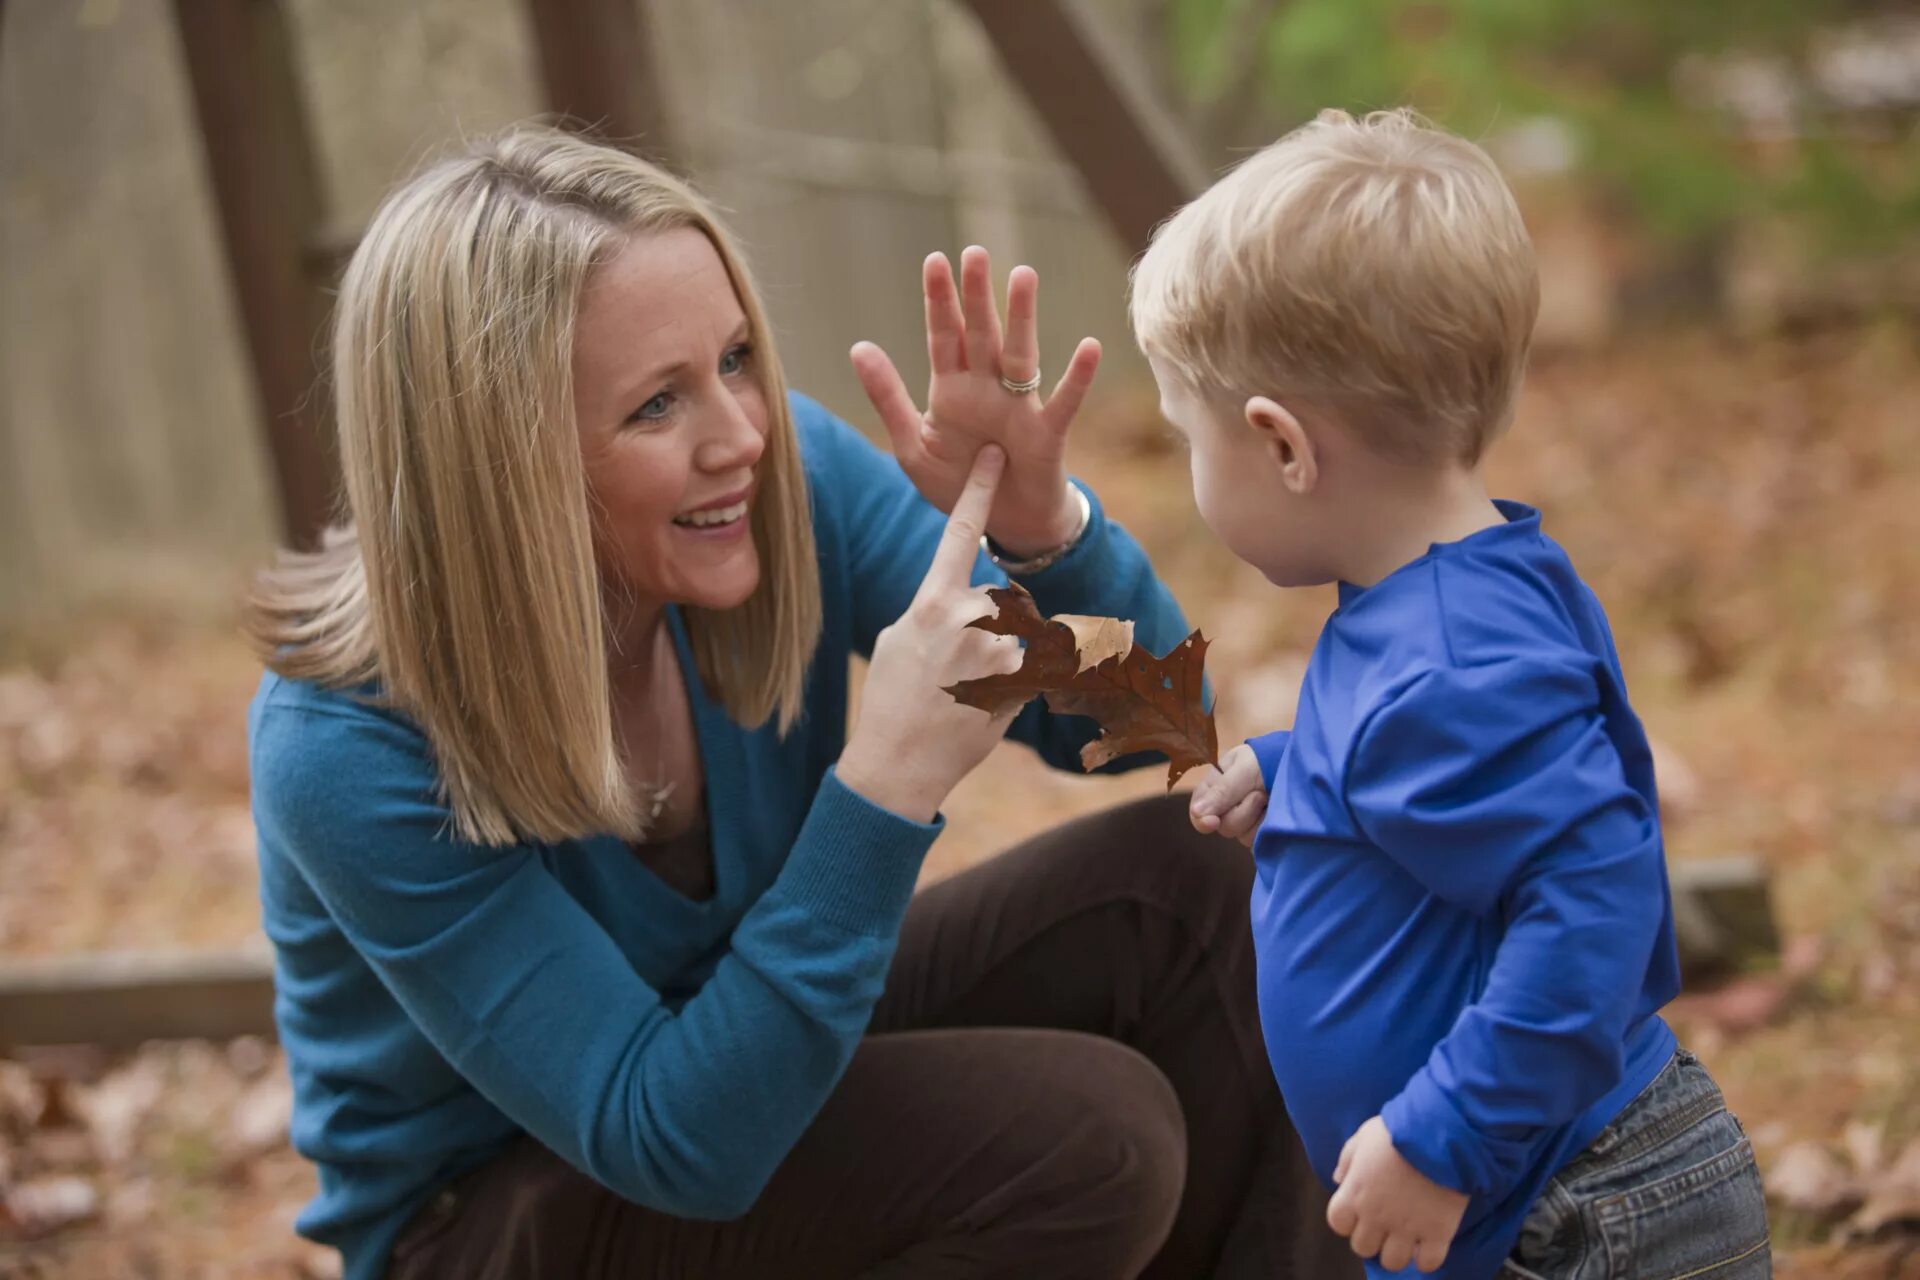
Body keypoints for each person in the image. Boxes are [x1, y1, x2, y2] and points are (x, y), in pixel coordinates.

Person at [245, 124, 1355, 1280]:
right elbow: (673, 1139)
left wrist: (1044, 533)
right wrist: (881, 791)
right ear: (503, 463)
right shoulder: (345, 738)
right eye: (656, 405)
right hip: (494, 1209)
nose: (741, 433)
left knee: (1195, 886)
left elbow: (1154, 729)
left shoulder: (779, 487)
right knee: (1089, 1140)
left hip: (739, 1044)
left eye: (734, 360)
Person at [1135, 109, 1772, 1279]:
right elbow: (1453, 772)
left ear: (1282, 446)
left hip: (1574, 1207)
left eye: (1188, 433)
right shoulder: (1439, 606)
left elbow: (1594, 901)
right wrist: (1298, 769)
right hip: (1526, 1191)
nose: (1187, 463)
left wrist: (1444, 1138)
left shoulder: (1445, 663)